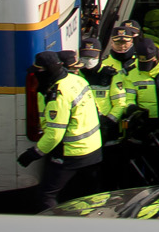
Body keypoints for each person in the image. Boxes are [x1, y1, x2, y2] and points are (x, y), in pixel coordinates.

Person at [22, 51, 102, 210]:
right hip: (93, 148)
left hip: (71, 152)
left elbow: (54, 134)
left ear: (46, 72)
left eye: (38, 72)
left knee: (46, 195)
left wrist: (33, 153)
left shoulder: (58, 95)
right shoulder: (77, 80)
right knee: (88, 195)